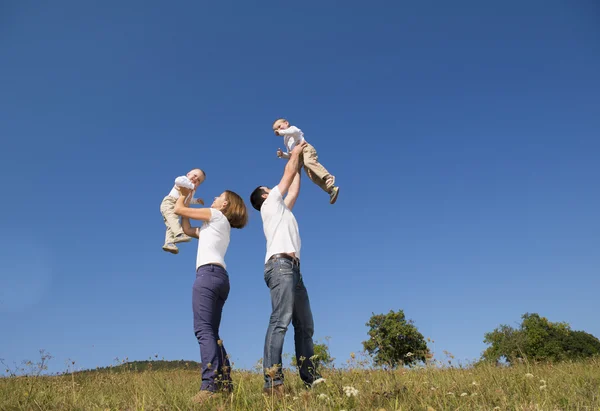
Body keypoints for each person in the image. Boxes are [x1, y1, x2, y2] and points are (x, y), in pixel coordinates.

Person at [249, 141, 321, 394]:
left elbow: (294, 189)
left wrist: (299, 164)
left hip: (294, 268)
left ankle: (311, 378)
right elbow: (287, 176)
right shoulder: (268, 205)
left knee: (305, 325)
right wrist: (295, 152)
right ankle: (273, 382)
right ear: (265, 195)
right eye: (269, 188)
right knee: (280, 321)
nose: (273, 188)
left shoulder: (281, 210)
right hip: (280, 265)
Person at [173, 186, 248, 404]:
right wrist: (186, 206)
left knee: (203, 330)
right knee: (213, 333)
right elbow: (187, 229)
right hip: (220, 277)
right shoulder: (214, 225)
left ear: (224, 204)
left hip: (207, 275)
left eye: (219, 197)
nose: (215, 198)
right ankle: (225, 385)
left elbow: (179, 208)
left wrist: (185, 192)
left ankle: (209, 386)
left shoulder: (214, 215)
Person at [272, 118, 339, 204]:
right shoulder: (286, 140)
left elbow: (293, 131)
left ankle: (328, 177)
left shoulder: (292, 129)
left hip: (305, 149)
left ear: (286, 123)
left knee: (309, 162)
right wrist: (282, 154)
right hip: (300, 157)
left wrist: (280, 132)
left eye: (279, 126)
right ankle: (331, 190)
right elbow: (291, 154)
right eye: (276, 129)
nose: (278, 129)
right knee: (312, 176)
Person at [160, 168, 206, 254]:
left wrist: (196, 201)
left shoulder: (192, 190)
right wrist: (192, 186)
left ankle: (169, 243)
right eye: (195, 176)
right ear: (188, 174)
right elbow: (178, 181)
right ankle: (179, 234)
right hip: (169, 203)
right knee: (174, 221)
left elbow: (189, 199)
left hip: (177, 206)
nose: (195, 179)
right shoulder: (184, 179)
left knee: (171, 225)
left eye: (198, 180)